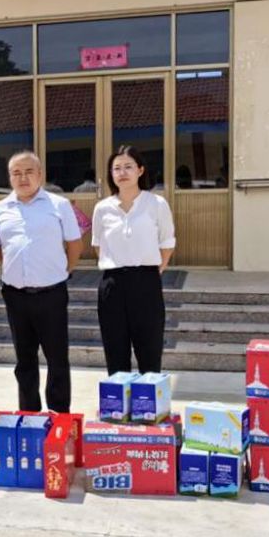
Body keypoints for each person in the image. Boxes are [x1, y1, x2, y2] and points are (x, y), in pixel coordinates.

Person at [0, 151, 83, 413]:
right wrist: (13, 268)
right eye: (16, 173)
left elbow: (75, 244)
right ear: (9, 177)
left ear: (40, 174)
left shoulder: (59, 205)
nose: (23, 178)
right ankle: (29, 414)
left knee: (57, 358)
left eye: (29, 171)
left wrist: (65, 269)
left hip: (51, 294)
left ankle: (59, 414)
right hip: (15, 295)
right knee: (24, 360)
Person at [92, 145, 176, 374]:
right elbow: (99, 245)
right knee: (115, 352)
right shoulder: (102, 208)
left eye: (128, 167)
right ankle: (118, 397)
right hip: (112, 284)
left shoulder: (156, 204)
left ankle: (149, 398)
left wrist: (151, 271)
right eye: (116, 168)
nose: (122, 172)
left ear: (140, 170)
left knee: (149, 351)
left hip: (146, 282)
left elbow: (167, 244)